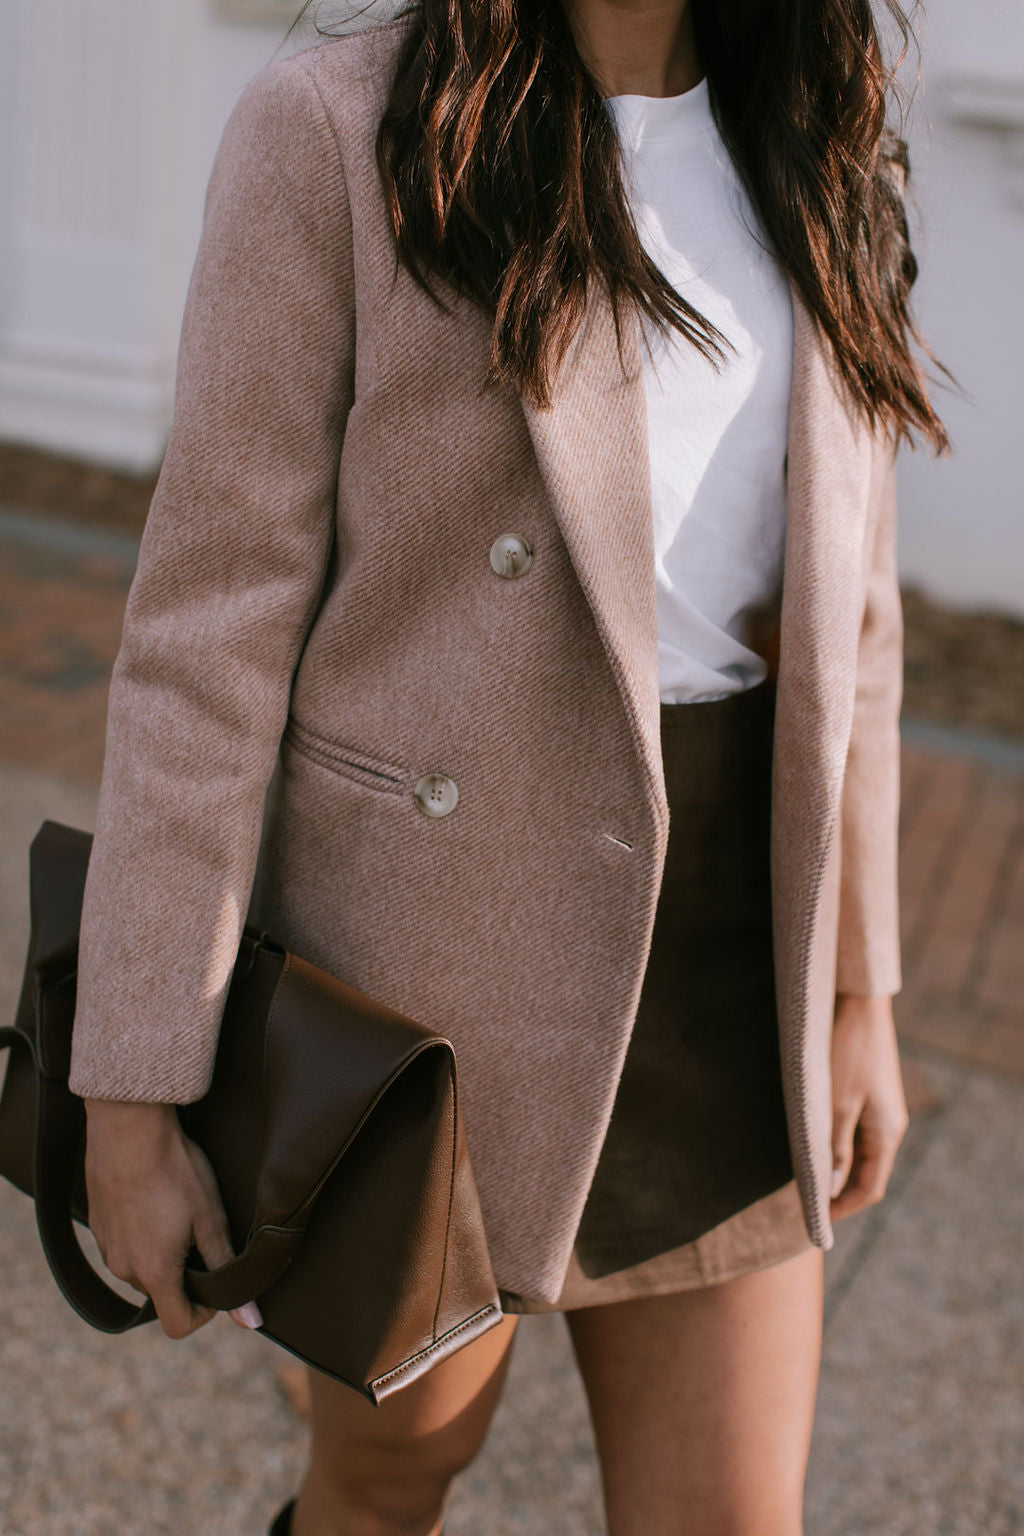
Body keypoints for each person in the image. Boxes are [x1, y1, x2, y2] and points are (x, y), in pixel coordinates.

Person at [69, 1, 950, 1532]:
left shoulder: (822, 132)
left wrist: (860, 994)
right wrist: (133, 1086)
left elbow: (852, 607)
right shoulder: (336, 131)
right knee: (391, 1476)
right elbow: (210, 635)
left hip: (732, 969)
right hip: (428, 981)